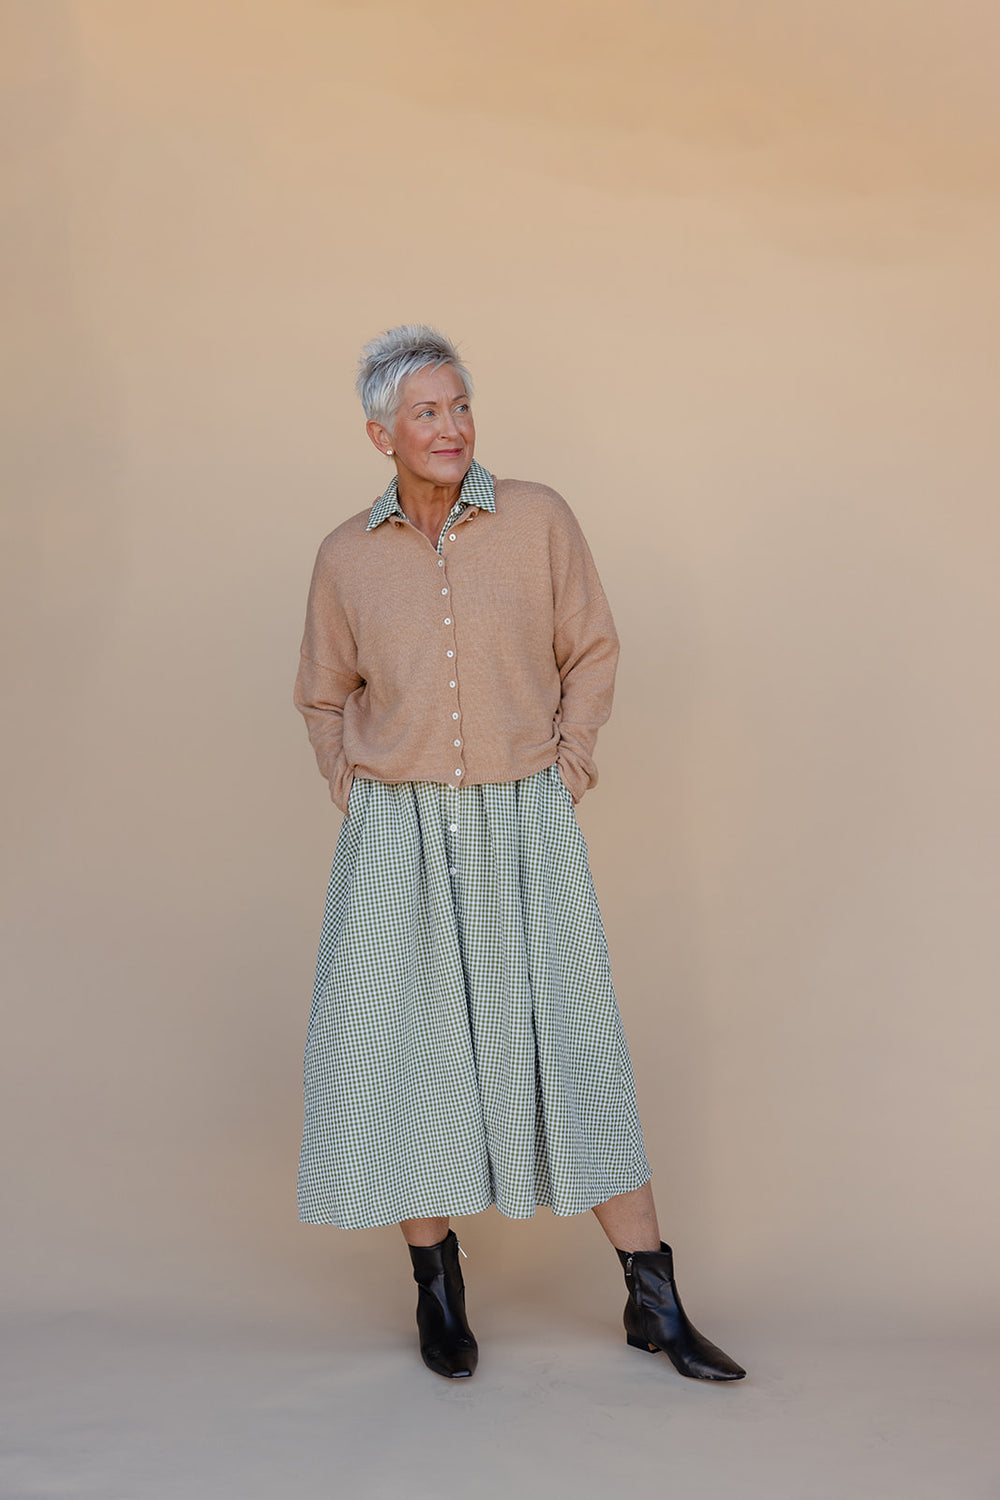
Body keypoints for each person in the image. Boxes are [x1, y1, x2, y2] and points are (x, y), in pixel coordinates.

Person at [293, 324, 745, 1383]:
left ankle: (654, 1301)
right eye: (426, 412)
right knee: (404, 1053)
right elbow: (322, 691)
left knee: (573, 1043)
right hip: (398, 832)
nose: (450, 428)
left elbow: (590, 646)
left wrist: (571, 761)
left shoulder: (536, 518)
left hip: (520, 816)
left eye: (459, 406)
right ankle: (437, 1293)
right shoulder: (344, 557)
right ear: (380, 434)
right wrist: (349, 783)